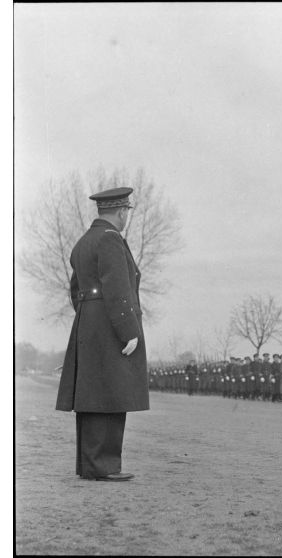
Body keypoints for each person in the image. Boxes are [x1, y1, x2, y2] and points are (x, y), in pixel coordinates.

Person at [55, 187, 149, 482]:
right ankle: (105, 466)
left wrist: (88, 318)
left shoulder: (83, 243)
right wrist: (129, 330)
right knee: (111, 393)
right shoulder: (110, 240)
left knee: (91, 394)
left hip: (88, 321)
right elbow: (118, 288)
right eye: (126, 213)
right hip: (110, 323)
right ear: (121, 212)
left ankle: (92, 465)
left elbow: (75, 290)